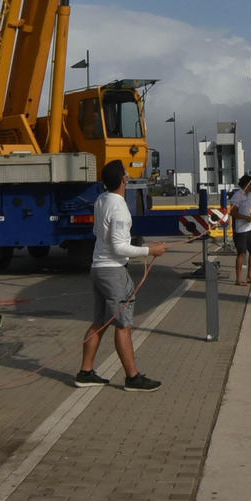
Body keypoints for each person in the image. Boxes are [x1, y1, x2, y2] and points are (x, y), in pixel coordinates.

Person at [76, 159, 169, 392]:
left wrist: (145, 245)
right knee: (123, 325)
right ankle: (132, 378)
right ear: (124, 180)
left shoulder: (101, 199)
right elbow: (119, 247)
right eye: (127, 174)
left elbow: (100, 232)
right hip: (113, 272)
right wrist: (150, 251)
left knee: (100, 322)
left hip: (98, 268)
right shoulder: (118, 206)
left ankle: (85, 373)